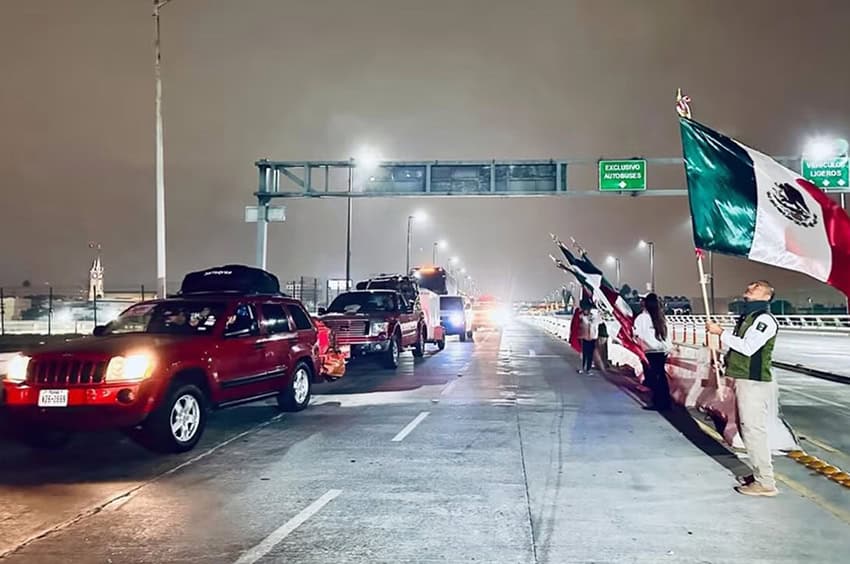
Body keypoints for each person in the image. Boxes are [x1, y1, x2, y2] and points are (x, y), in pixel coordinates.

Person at [707, 280, 779, 497]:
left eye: (757, 286)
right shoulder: (748, 318)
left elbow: (748, 348)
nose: (750, 286)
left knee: (753, 431)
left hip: (754, 382)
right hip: (745, 380)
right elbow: (738, 349)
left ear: (766, 296)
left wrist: (721, 333)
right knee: (748, 429)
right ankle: (760, 475)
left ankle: (765, 482)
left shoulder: (763, 320)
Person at [634, 293, 672, 410]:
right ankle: (665, 402)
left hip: (649, 351)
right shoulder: (661, 318)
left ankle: (658, 403)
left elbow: (637, 335)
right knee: (661, 377)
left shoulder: (641, 318)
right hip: (661, 351)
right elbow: (667, 336)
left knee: (654, 378)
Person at [576, 300, 599, 373]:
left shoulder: (594, 318)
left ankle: (588, 369)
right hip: (585, 337)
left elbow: (598, 322)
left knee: (590, 354)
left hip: (592, 337)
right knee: (584, 353)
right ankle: (583, 367)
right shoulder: (583, 317)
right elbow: (585, 321)